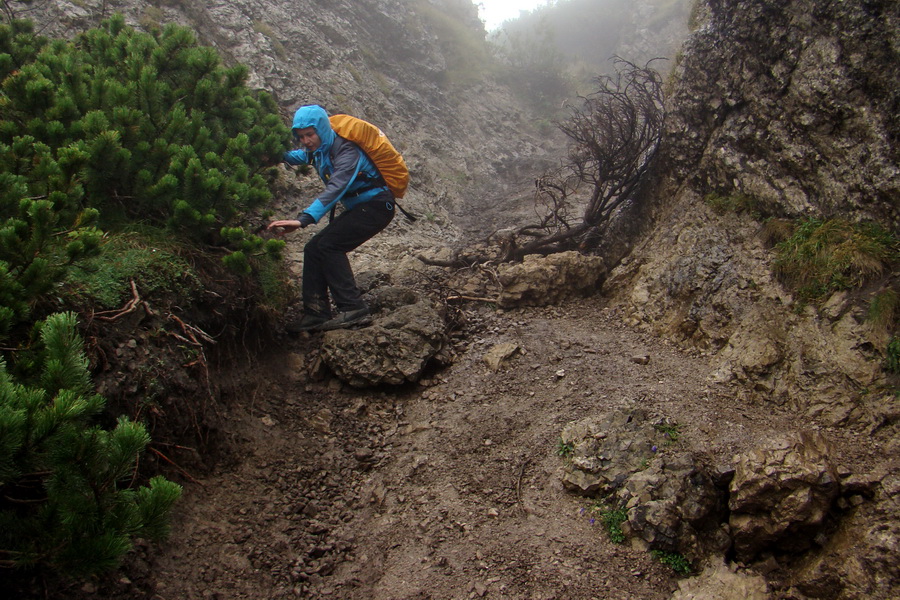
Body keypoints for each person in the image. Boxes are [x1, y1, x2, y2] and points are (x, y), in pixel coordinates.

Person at [267, 104, 395, 333]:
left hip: (377, 206)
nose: (306, 141)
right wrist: (267, 152)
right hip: (361, 208)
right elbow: (295, 156)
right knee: (313, 248)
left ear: (322, 129)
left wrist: (303, 219)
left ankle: (353, 307)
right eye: (301, 136)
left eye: (310, 134)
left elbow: (336, 187)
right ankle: (315, 313)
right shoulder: (319, 151)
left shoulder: (347, 151)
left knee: (329, 245)